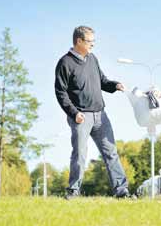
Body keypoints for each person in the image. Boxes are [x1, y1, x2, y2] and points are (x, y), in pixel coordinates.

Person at [55, 26, 129, 199]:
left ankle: (121, 190)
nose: (93, 45)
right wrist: (74, 113)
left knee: (111, 153)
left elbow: (102, 81)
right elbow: (60, 92)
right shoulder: (65, 62)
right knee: (80, 154)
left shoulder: (92, 59)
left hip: (101, 115)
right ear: (79, 41)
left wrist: (115, 85)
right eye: (90, 41)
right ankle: (73, 191)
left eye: (94, 41)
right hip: (81, 116)